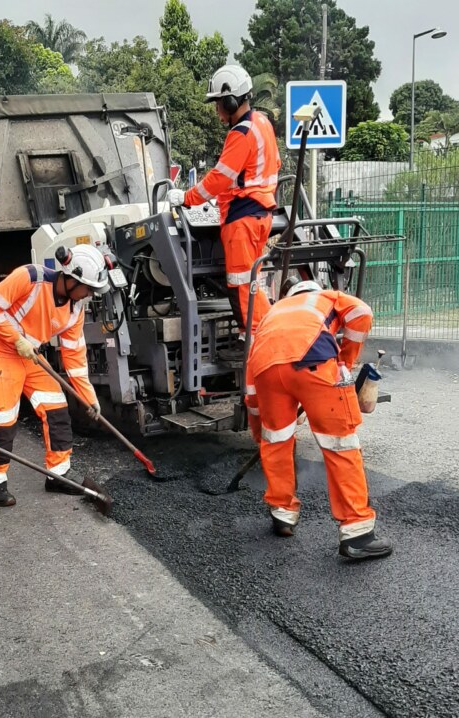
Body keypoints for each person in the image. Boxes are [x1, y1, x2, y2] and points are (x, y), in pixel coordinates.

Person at [247, 279, 393, 561]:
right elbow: (361, 312)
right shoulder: (326, 297)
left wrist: (259, 431)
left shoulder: (270, 317)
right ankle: (358, 534)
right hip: (314, 360)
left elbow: (251, 395)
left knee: (275, 441)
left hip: (265, 370)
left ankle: (283, 514)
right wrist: (346, 363)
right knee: (340, 443)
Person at [0, 244, 111, 507]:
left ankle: (58, 475)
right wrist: (16, 339)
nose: (90, 295)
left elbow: (74, 356)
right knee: (5, 418)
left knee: (57, 408)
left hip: (30, 355)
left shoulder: (75, 309)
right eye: (89, 288)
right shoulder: (30, 277)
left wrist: (88, 397)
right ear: (71, 278)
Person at [168, 63, 281, 359]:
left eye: (219, 104)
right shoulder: (263, 124)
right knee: (253, 281)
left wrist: (186, 198)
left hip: (242, 217)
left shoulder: (240, 133)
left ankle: (256, 345)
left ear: (231, 101)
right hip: (262, 213)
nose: (218, 112)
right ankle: (259, 334)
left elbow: (219, 178)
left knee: (241, 284)